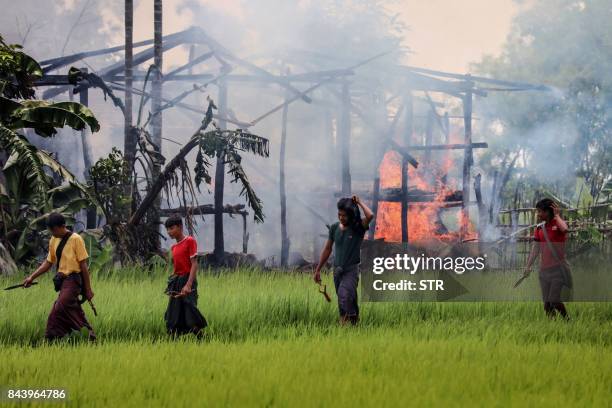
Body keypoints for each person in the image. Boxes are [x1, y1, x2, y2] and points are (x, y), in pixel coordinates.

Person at [23, 213, 96, 341]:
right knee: (68, 308)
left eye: (54, 229)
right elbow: (48, 263)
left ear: (62, 226)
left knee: (60, 306)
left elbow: (84, 267)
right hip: (62, 282)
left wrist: (88, 289)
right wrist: (31, 277)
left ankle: (51, 336)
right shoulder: (53, 239)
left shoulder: (76, 239)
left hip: (74, 280)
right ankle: (87, 334)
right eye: (50, 230)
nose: (52, 232)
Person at [314, 196, 374, 325]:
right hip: (337, 271)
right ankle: (353, 323)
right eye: (339, 214)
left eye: (344, 215)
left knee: (344, 295)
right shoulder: (334, 228)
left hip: (351, 270)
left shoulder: (358, 227)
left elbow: (370, 216)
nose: (341, 217)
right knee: (346, 300)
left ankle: (344, 325)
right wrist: (318, 269)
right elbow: (328, 249)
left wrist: (360, 202)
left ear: (351, 215)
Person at [524, 198, 571, 319]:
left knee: (554, 300)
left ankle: (568, 321)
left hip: (558, 270)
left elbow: (565, 229)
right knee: (547, 305)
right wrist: (528, 266)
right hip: (544, 271)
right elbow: (535, 250)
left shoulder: (558, 225)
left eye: (540, 211)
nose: (538, 214)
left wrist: (557, 216)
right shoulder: (539, 229)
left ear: (548, 211)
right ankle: (553, 327)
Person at [164, 215, 207, 336]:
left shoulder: (190, 241)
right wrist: (171, 284)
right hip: (177, 281)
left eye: (171, 228)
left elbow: (194, 264)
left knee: (190, 316)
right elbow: (177, 268)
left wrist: (188, 285)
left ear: (180, 227)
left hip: (188, 280)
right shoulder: (173, 247)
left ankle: (204, 341)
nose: (169, 232)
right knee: (173, 316)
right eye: (167, 229)